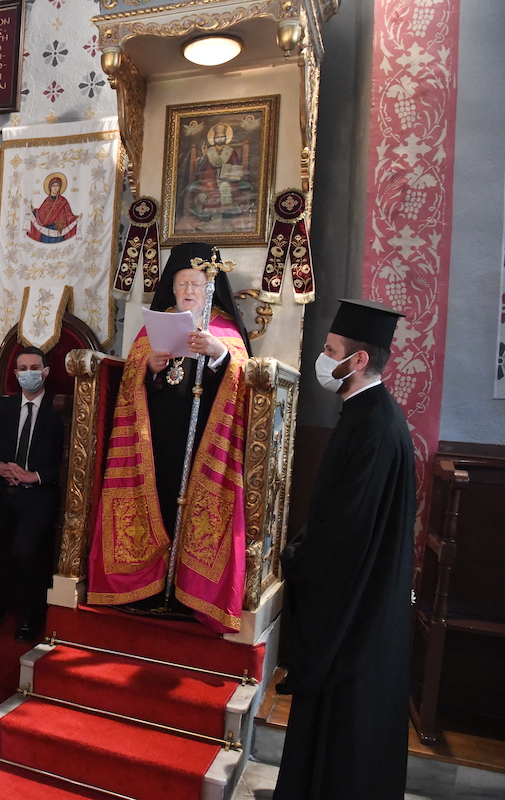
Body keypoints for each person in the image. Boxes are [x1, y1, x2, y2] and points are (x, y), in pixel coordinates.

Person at [273, 299, 414, 800]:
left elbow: (346, 532)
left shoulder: (374, 426)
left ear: (358, 361)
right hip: (362, 597)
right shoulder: (366, 413)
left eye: (331, 351)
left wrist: (296, 558)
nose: (323, 357)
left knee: (345, 736)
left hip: (357, 612)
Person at [87, 241, 251, 633]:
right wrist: (150, 368)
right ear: (172, 287)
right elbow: (131, 383)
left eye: (196, 283)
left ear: (210, 287)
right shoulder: (154, 328)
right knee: (156, 504)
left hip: (202, 444)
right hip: (156, 442)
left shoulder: (225, 330)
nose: (188, 291)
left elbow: (242, 381)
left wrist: (217, 354)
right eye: (182, 284)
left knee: (193, 509)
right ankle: (148, 586)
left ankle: (187, 591)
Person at [0, 346, 65, 642]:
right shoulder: (4, 408)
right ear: (15, 373)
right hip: (2, 490)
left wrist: (35, 476)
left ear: (46, 372)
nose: (28, 373)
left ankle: (30, 615)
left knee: (24, 550)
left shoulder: (60, 409)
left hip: (39, 494)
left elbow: (69, 460)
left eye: (34, 368)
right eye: (23, 369)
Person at [26, 173, 79, 243]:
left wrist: (77, 218)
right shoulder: (47, 201)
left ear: (60, 187)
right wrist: (31, 209)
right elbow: (40, 214)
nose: (55, 188)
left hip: (58, 232)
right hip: (46, 233)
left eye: (57, 185)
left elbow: (69, 216)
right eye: (53, 186)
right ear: (50, 187)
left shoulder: (63, 201)